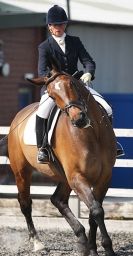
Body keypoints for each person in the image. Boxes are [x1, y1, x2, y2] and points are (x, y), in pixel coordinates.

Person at [36, 4, 124, 164]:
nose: (59, 27)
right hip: (56, 89)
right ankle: (43, 148)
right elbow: (42, 72)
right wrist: (57, 81)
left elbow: (88, 61)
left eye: (61, 24)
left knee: (107, 107)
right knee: (42, 111)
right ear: (50, 26)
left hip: (77, 85)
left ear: (65, 25)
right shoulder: (44, 47)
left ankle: (111, 142)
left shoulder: (75, 42)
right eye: (56, 25)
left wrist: (89, 72)